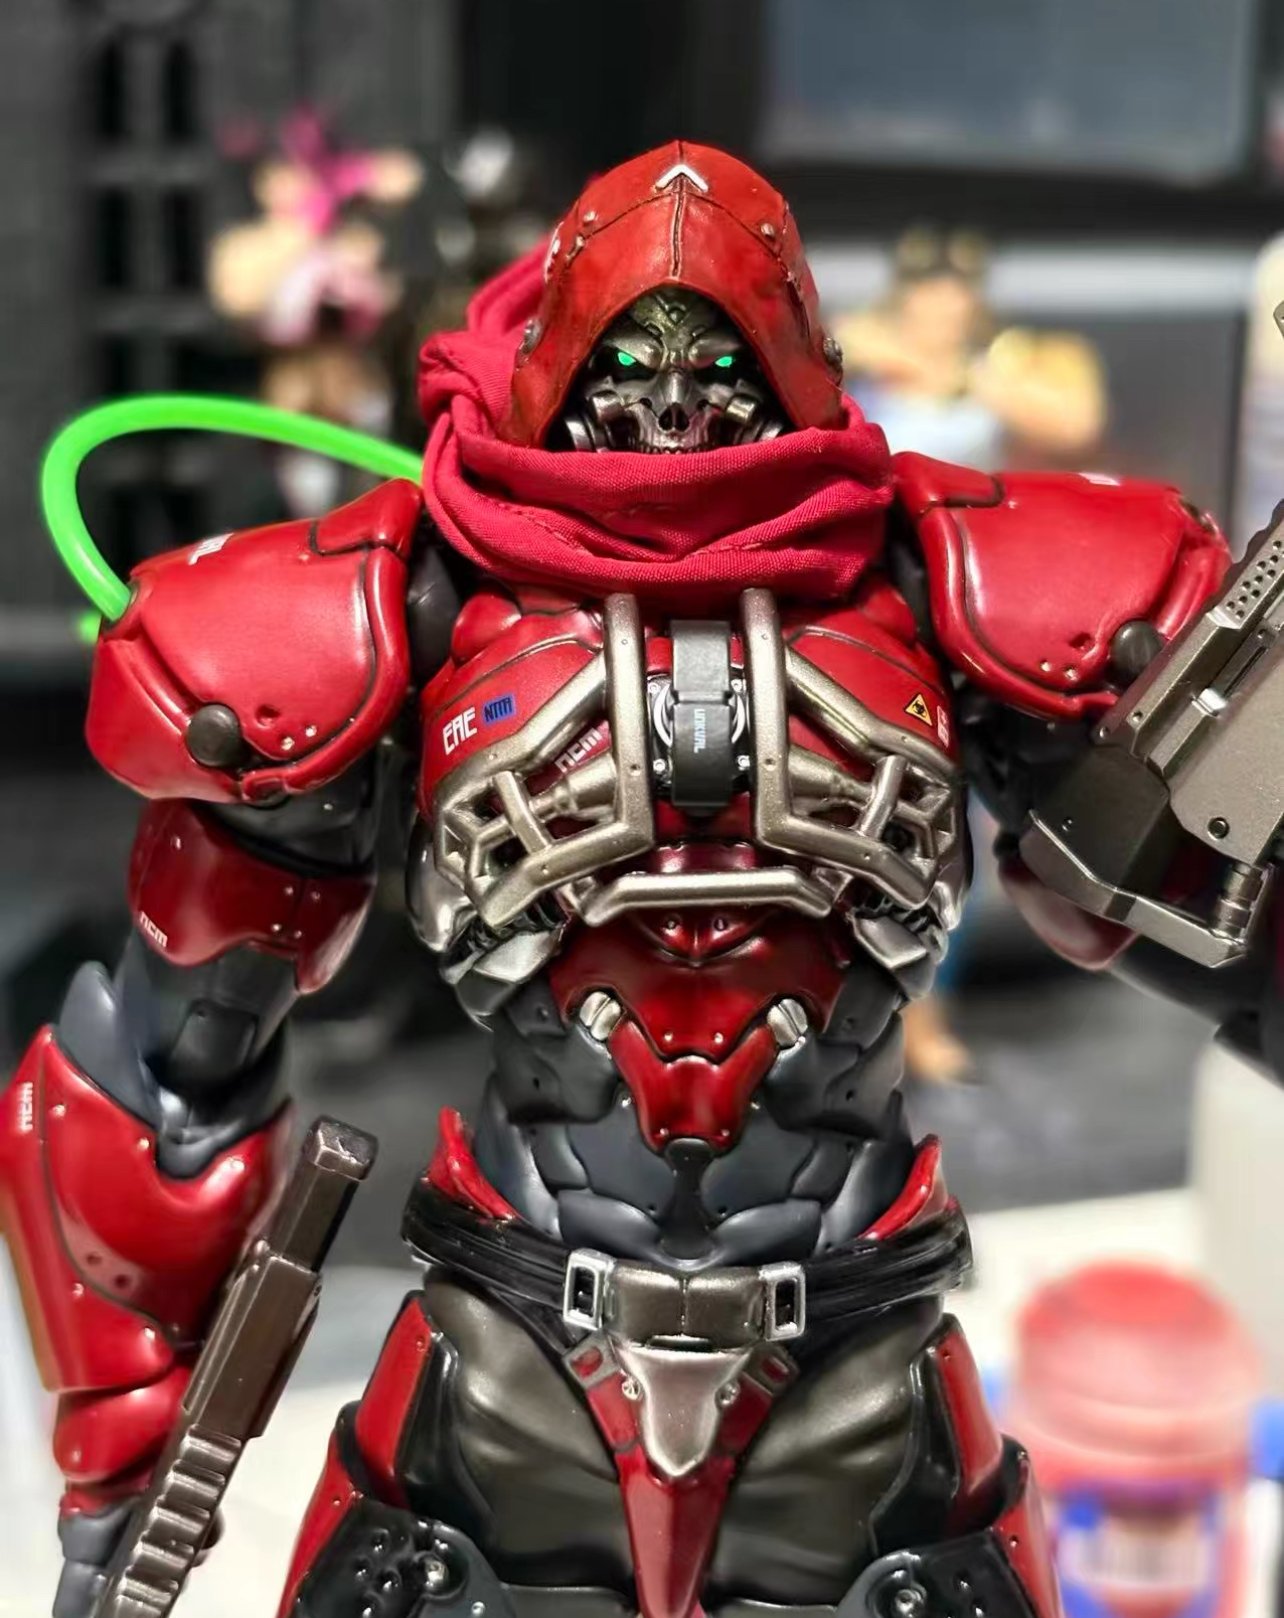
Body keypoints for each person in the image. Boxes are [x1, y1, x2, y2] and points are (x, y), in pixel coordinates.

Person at [1, 143, 1264, 1618]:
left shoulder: (950, 585)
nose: (673, 402)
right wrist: (123, 1453)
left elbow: (1197, 908)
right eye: (631, 369)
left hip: (853, 1356)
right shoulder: (406, 605)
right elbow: (163, 1080)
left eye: (716, 369)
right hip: (509, 1350)